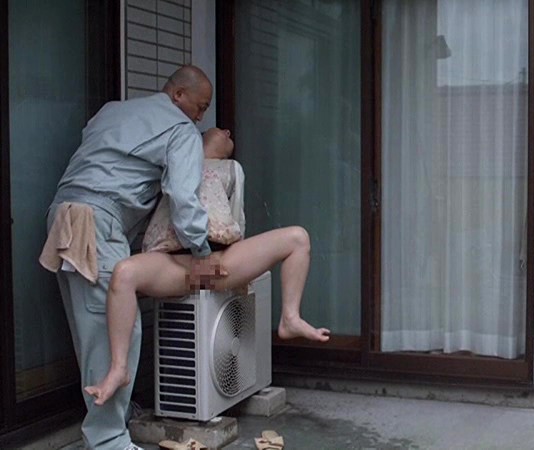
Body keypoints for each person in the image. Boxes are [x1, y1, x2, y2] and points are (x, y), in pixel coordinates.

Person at [40, 65, 225, 450]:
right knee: (114, 331)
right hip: (96, 223)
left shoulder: (111, 111)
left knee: (91, 331)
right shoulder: (180, 130)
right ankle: (109, 440)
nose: (200, 116)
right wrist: (202, 252)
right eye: (200, 105)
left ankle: (115, 419)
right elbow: (183, 198)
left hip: (62, 215)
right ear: (178, 95)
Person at [84, 128, 330, 407]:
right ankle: (119, 368)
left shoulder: (231, 169)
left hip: (218, 262)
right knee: (123, 272)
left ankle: (290, 317)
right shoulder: (173, 162)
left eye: (229, 135)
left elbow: (237, 217)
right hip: (175, 264)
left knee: (298, 238)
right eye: (219, 130)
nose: (226, 131)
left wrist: (238, 270)